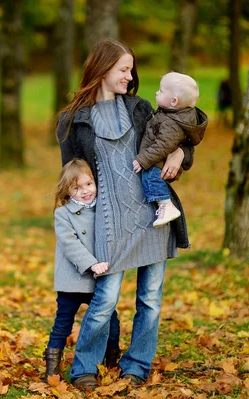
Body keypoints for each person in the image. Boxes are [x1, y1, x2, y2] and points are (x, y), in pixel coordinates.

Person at [55, 39, 195, 391]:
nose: (130, 76)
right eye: (123, 69)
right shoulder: (72, 120)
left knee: (149, 299)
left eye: (130, 69)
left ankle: (137, 366)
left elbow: (179, 131)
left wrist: (180, 155)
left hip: (153, 216)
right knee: (105, 300)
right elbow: (73, 175)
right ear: (102, 70)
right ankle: (84, 366)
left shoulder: (140, 108)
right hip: (108, 222)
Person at [44, 159, 121, 378]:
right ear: (67, 191)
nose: (85, 191)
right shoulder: (63, 214)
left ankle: (111, 361)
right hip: (72, 280)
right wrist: (91, 264)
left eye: (88, 184)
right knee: (63, 323)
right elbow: (70, 244)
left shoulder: (104, 211)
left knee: (110, 321)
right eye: (77, 188)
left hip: (99, 279)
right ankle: (51, 369)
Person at [132, 72, 207, 227]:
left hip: (157, 161)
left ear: (174, 101)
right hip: (157, 158)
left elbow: (163, 145)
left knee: (151, 178)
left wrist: (143, 159)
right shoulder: (171, 114)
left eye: (161, 91)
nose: (156, 92)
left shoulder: (171, 122)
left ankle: (166, 206)